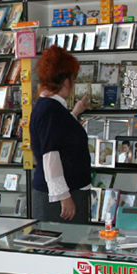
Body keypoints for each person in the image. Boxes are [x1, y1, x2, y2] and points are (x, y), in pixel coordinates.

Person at [30, 46, 92, 223]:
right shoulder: (50, 110)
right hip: (59, 199)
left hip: (64, 193)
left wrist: (74, 113)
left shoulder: (50, 107)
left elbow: (59, 135)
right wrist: (63, 196)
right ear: (66, 81)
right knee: (62, 239)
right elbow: (51, 154)